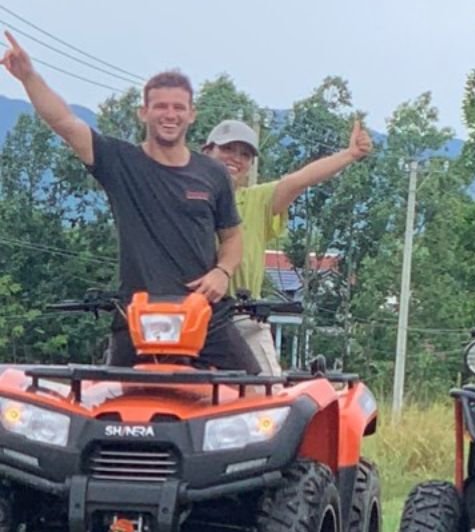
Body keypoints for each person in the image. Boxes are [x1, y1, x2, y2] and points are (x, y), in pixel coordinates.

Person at [0, 31, 259, 373]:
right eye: (161, 106)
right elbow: (65, 122)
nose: (170, 114)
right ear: (143, 112)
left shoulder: (213, 173)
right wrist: (28, 76)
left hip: (206, 313)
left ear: (192, 114)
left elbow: (232, 236)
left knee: (253, 390)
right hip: (138, 314)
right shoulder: (120, 161)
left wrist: (222, 272)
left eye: (178, 107)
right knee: (111, 398)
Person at [202, 117, 373, 374]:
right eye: (227, 149)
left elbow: (300, 180)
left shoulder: (257, 201)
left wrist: (350, 155)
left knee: (267, 389)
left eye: (245, 154)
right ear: (207, 151)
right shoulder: (184, 196)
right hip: (189, 315)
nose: (235, 158)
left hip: (242, 314)